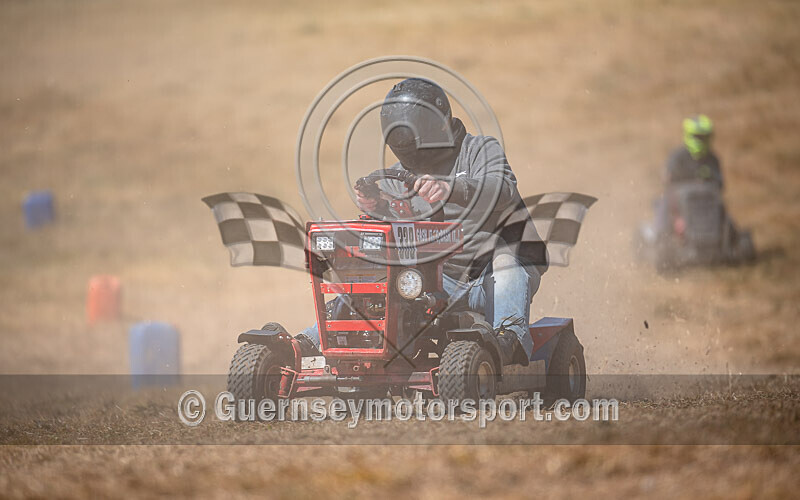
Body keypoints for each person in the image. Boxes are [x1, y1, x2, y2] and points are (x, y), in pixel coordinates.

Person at [299, 78, 546, 364]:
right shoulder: (396, 178)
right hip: (437, 282)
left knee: (507, 262)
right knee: (380, 280)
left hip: (488, 276)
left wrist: (450, 188)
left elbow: (503, 189)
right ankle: (311, 340)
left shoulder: (478, 150)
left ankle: (509, 341)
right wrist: (376, 208)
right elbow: (397, 243)